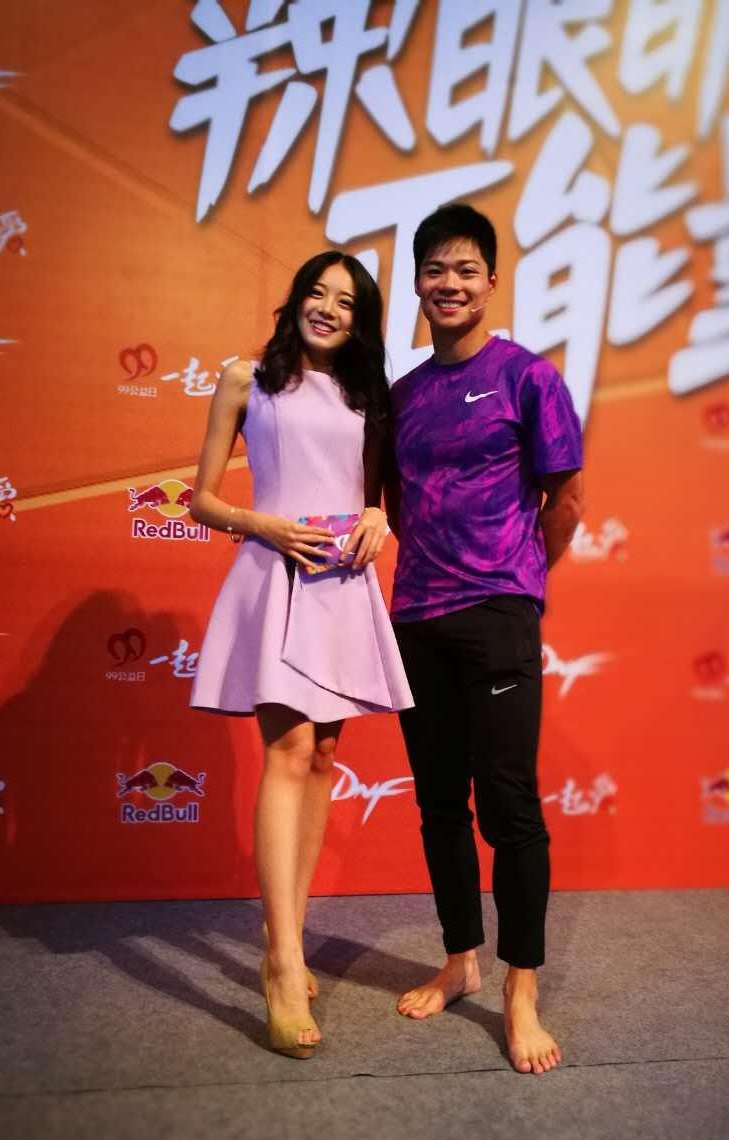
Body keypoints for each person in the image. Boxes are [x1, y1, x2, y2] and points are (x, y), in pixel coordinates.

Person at [189, 251, 413, 1059]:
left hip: (342, 586)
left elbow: (373, 498)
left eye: (345, 302)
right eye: (317, 293)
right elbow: (200, 498)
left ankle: (288, 929)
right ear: (295, 302)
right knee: (286, 751)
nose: (327, 308)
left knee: (321, 758)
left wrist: (378, 518)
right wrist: (263, 524)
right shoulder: (244, 378)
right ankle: (283, 963)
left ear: (361, 321)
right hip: (275, 574)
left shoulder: (369, 394)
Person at [385, 204, 584, 1075]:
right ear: (417, 284)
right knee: (439, 804)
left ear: (492, 281)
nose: (450, 283)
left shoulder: (528, 378)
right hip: (416, 617)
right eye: (435, 269)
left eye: (466, 269)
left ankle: (519, 989)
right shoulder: (401, 397)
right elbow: (395, 504)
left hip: (499, 611)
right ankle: (460, 959)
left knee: (509, 807)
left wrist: (520, 579)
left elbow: (565, 499)